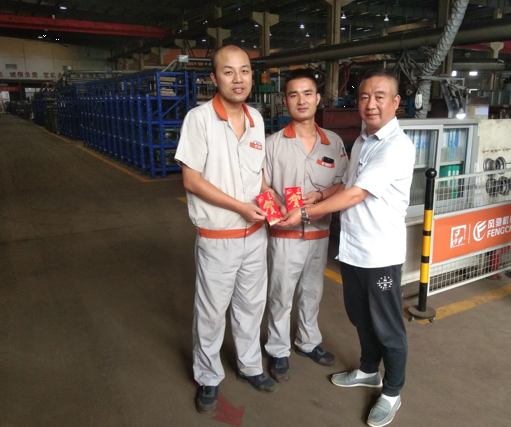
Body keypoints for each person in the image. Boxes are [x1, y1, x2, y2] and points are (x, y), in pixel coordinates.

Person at [279, 69, 414, 427]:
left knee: (388, 326)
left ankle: (392, 391)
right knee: (360, 317)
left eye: (380, 97)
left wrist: (303, 212)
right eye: (364, 97)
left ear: (396, 102)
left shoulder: (395, 147)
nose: (371, 104)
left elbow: (356, 194)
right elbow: (347, 183)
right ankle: (369, 370)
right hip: (354, 250)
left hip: (380, 254)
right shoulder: (364, 140)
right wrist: (321, 194)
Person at [174, 45, 277, 415]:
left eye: (245, 71)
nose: (238, 79)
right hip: (218, 237)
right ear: (214, 78)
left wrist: (270, 201)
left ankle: (250, 366)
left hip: (255, 235)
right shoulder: (199, 119)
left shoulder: (256, 119)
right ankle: (208, 375)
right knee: (212, 311)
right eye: (228, 71)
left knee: (252, 305)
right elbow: (191, 180)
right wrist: (240, 207)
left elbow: (257, 174)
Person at [263, 69, 348, 382]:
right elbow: (260, 185)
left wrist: (322, 195)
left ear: (317, 98)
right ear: (285, 101)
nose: (301, 100)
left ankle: (307, 342)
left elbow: (343, 183)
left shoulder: (333, 142)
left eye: (307, 93)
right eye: (294, 94)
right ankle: (278, 350)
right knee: (281, 293)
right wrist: (276, 209)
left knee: (312, 291)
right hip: (284, 234)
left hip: (319, 232)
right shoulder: (272, 144)